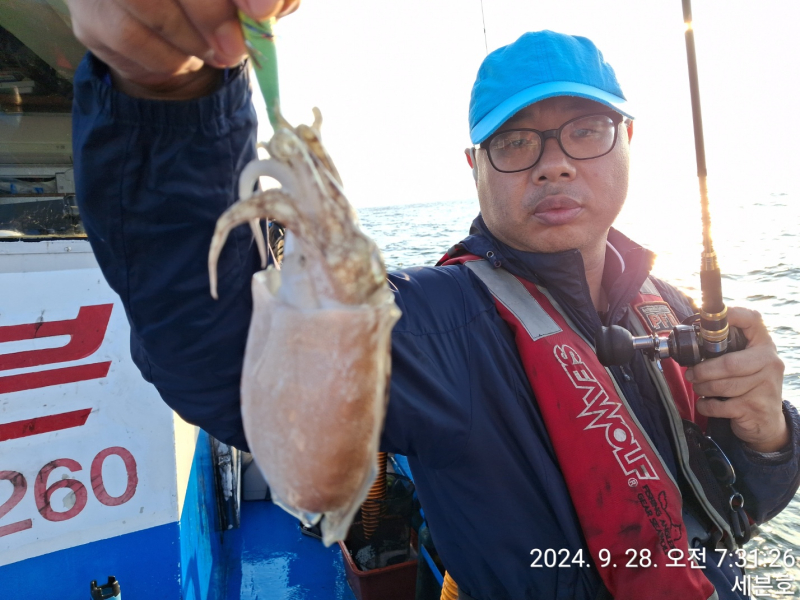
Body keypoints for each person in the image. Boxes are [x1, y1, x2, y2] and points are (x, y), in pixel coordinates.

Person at [67, 2, 799, 598]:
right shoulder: (440, 324)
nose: (554, 163)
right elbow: (222, 348)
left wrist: (770, 434)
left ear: (629, 140)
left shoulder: (668, 306)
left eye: (587, 130)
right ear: (474, 165)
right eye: (515, 142)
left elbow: (739, 510)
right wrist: (168, 99)